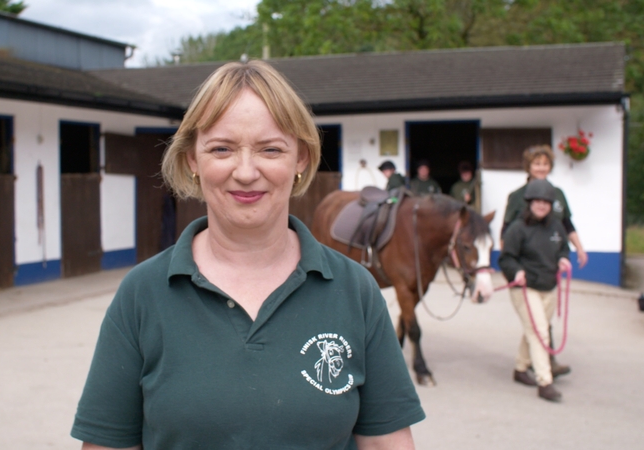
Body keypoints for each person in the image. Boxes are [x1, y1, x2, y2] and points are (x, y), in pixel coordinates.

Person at [71, 60, 425, 450]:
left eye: (270, 149)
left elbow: (385, 443)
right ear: (192, 159)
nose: (245, 171)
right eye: (221, 149)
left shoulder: (355, 289)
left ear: (301, 159)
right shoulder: (141, 293)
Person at [500, 145, 586, 376]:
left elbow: (566, 225)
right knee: (538, 324)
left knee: (540, 322)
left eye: (545, 164)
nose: (541, 168)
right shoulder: (517, 196)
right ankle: (545, 371)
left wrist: (578, 249)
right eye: (536, 163)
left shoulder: (557, 194)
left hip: (549, 262)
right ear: (528, 166)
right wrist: (511, 267)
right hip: (526, 267)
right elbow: (506, 231)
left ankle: (527, 364)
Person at [498, 179, 572, 402]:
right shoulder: (517, 228)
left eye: (546, 202)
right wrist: (516, 271)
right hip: (525, 287)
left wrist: (563, 260)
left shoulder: (556, 227)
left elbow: (564, 249)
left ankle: (521, 369)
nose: (541, 205)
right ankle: (545, 382)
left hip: (549, 286)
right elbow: (506, 258)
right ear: (529, 202)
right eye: (537, 201)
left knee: (535, 329)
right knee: (539, 331)